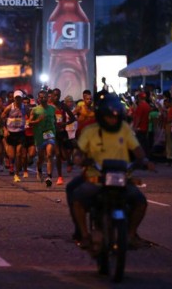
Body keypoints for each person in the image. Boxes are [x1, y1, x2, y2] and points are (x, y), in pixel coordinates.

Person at [67, 91, 154, 249]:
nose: (112, 120)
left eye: (115, 117)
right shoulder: (90, 131)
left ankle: (131, 235)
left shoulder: (125, 129)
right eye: (109, 117)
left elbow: (137, 149)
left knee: (141, 202)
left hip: (121, 177)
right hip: (96, 178)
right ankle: (84, 234)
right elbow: (78, 153)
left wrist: (145, 160)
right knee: (77, 198)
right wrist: (79, 159)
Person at [29, 90, 57, 187]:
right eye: (41, 97)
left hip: (50, 133)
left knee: (49, 154)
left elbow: (55, 119)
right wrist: (38, 120)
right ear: (38, 98)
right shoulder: (35, 110)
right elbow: (29, 123)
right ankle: (39, 169)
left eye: (45, 97)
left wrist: (57, 126)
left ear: (47, 98)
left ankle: (49, 176)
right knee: (40, 158)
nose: (43, 99)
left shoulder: (52, 108)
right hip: (39, 136)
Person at [1, 90, 28, 182]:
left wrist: (29, 122)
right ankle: (5, 143)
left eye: (19, 98)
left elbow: (31, 116)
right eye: (16, 98)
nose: (18, 100)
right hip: (11, 133)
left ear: (22, 98)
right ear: (14, 98)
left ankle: (16, 174)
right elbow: (1, 118)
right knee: (11, 156)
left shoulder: (25, 108)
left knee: (19, 154)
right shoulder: (9, 108)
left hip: (20, 133)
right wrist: (5, 129)